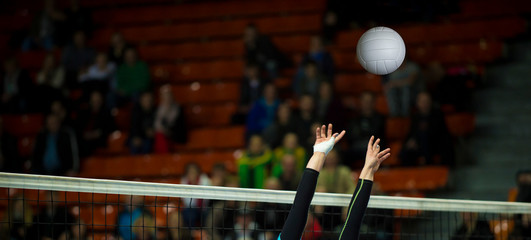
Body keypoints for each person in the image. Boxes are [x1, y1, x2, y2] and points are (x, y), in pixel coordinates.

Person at [277, 124, 391, 240]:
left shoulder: (343, 172)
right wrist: (368, 169)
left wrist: (319, 154)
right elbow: (353, 223)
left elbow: (300, 205)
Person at [400, 92, 453, 166]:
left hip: (434, 143)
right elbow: (411, 133)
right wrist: (412, 141)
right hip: (419, 144)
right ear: (418, 103)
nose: (425, 104)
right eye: (422, 102)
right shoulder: (415, 117)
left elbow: (441, 133)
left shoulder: (438, 115)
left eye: (426, 101)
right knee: (406, 151)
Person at [347, 91, 386, 165]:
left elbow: (378, 135)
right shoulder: (354, 119)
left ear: (373, 103)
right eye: (364, 101)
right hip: (357, 147)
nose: (366, 103)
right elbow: (350, 136)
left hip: (374, 147)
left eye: (369, 101)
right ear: (361, 102)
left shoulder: (380, 118)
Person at [75, 91, 115, 156]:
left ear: (102, 101)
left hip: (98, 140)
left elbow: (111, 128)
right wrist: (84, 135)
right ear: (90, 101)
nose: (96, 103)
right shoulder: (84, 113)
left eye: (98, 101)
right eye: (94, 101)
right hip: (83, 139)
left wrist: (97, 133)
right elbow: (78, 128)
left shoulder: (106, 113)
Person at [153, 85, 186, 153]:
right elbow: (156, 125)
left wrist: (169, 131)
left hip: (175, 134)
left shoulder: (178, 109)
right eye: (165, 96)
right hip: (161, 134)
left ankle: (163, 158)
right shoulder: (158, 109)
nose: (167, 98)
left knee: (161, 136)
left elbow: (180, 126)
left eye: (169, 96)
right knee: (160, 136)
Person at [180, 163, 211, 227]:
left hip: (205, 207)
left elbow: (207, 198)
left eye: (193, 172)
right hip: (191, 208)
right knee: (189, 214)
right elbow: (187, 202)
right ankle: (192, 234)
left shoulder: (205, 180)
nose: (192, 174)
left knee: (209, 214)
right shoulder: (184, 182)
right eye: (190, 172)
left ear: (197, 172)